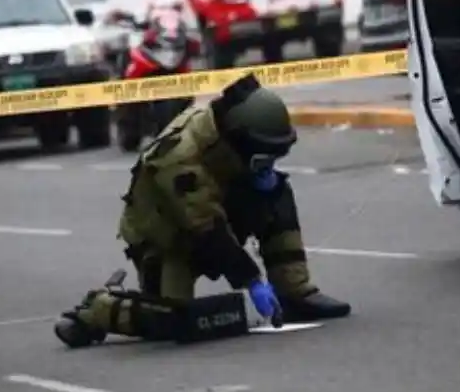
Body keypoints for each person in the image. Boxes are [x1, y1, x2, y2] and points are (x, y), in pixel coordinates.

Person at [55, 74, 353, 348]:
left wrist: (265, 183)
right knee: (170, 320)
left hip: (213, 208)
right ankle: (98, 310)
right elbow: (206, 228)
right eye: (262, 159)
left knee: (275, 193)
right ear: (237, 143)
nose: (268, 166)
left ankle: (294, 292)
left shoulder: (225, 138)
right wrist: (252, 281)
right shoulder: (180, 158)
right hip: (166, 238)